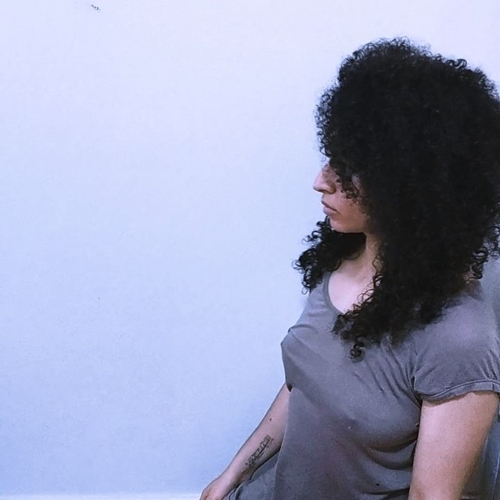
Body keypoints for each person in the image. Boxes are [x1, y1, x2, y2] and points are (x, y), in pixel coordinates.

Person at [200, 37, 500, 500]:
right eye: (331, 159)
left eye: (349, 169)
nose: (320, 181)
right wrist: (233, 475)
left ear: (409, 185)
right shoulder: (339, 262)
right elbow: (304, 383)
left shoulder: (459, 338)